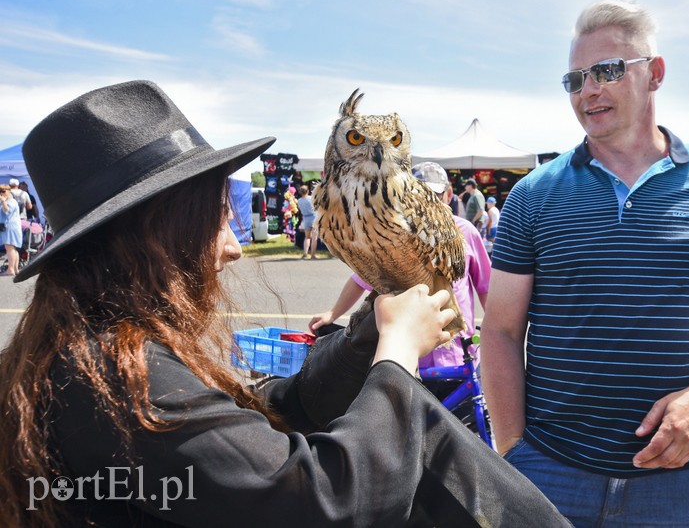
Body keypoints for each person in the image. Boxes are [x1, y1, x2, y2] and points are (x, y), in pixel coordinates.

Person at [0, 80, 569, 527]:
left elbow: (256, 418)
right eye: (218, 218)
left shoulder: (97, 350)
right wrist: (395, 356)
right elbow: (318, 502)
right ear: (157, 233)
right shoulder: (116, 380)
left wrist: (365, 337)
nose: (232, 248)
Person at [481, 0, 689, 527]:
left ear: (655, 74)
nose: (589, 91)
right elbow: (502, 331)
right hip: (551, 469)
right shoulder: (534, 195)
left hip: (680, 480)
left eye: (606, 71)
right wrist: (513, 451)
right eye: (574, 79)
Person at [309, 161, 492, 371]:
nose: (427, 204)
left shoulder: (466, 231)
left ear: (448, 194)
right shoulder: (394, 233)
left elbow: (486, 286)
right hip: (412, 357)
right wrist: (332, 314)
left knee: (465, 403)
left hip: (459, 357)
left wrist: (494, 330)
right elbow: (360, 280)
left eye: (435, 195)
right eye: (418, 197)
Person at [0, 184, 23, 276]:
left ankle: (10, 269)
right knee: (12, 248)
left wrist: (3, 202)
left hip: (10, 227)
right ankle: (15, 269)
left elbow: (7, 211)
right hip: (11, 226)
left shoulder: (10, 201)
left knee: (9, 248)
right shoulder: (10, 201)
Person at [296, 184, 318, 259]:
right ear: (308, 191)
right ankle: (313, 254)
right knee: (314, 238)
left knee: (307, 237)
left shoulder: (299, 201)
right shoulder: (311, 198)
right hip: (313, 217)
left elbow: (299, 209)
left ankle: (305, 253)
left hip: (305, 218)